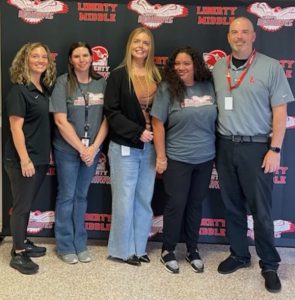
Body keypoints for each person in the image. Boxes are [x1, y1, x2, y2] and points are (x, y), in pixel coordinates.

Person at [212, 17, 294, 293]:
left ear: (254, 36)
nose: (240, 36)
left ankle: (269, 264)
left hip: (257, 147)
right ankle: (239, 254)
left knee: (261, 210)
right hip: (224, 145)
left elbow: (280, 112)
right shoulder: (217, 68)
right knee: (232, 205)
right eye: (235, 32)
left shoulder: (270, 67)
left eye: (245, 31)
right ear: (228, 37)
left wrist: (275, 149)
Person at [151, 46, 217, 273]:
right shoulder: (167, 88)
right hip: (177, 158)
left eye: (186, 63)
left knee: (195, 205)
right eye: (177, 63)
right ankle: (168, 250)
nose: (181, 67)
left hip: (205, 158)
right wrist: (161, 156)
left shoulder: (209, 86)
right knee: (176, 204)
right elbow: (157, 123)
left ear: (195, 64)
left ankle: (192, 249)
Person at [104, 27, 161, 265]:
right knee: (124, 199)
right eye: (137, 41)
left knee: (143, 199)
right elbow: (111, 112)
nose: (141, 46)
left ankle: (139, 247)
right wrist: (138, 132)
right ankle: (122, 250)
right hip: (125, 147)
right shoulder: (118, 76)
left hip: (151, 149)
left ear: (150, 47)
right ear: (130, 45)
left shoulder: (157, 76)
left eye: (146, 42)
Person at [50, 42, 108, 264]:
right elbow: (60, 121)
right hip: (67, 150)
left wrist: (93, 148)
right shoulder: (63, 83)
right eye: (77, 56)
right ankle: (65, 246)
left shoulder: (101, 83)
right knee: (66, 196)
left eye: (86, 55)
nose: (82, 59)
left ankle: (80, 244)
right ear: (71, 59)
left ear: (92, 58)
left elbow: (107, 118)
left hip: (92, 151)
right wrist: (81, 148)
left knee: (81, 196)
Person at [4, 42, 56, 274]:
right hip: (23, 160)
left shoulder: (43, 88)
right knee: (22, 206)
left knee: (25, 204)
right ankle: (18, 253)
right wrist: (25, 159)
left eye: (43, 57)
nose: (40, 60)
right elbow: (15, 128)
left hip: (40, 157)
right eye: (34, 56)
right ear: (25, 59)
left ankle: (22, 240)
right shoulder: (19, 89)